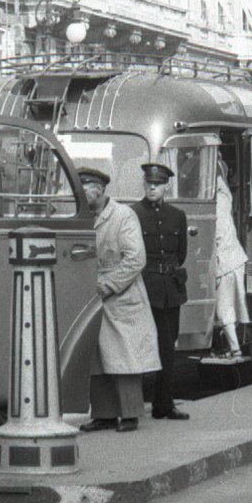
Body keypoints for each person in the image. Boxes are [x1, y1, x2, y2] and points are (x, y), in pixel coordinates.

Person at [77, 166, 157, 433]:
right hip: (92, 292)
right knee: (97, 357)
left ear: (100, 189)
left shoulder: (123, 215)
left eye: (85, 187)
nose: (80, 193)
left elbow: (135, 259)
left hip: (121, 293)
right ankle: (104, 415)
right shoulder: (82, 217)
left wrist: (108, 285)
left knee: (125, 358)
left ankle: (131, 414)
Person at [134, 161, 190, 421]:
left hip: (170, 291)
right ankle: (132, 408)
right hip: (144, 288)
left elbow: (181, 254)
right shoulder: (133, 213)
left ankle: (164, 405)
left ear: (166, 187)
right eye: (149, 183)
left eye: (157, 184)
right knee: (138, 347)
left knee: (167, 348)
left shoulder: (177, 215)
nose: (153, 188)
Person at [209, 157, 251, 360]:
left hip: (226, 260)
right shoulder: (224, 194)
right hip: (234, 257)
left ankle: (235, 350)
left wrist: (217, 265)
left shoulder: (217, 201)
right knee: (230, 306)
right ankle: (229, 346)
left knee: (224, 308)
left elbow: (218, 234)